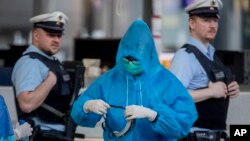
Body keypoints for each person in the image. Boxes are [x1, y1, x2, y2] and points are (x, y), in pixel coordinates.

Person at [71, 19, 197, 141]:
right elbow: (79, 113)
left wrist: (154, 116)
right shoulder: (109, 80)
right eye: (128, 59)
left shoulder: (167, 82)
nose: (131, 63)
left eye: (136, 59)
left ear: (149, 55)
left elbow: (183, 124)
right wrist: (87, 106)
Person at [170, 0, 240, 140]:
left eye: (215, 20)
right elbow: (172, 98)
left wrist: (231, 88)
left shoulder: (212, 55)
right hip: (193, 135)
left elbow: (217, 86)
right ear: (192, 23)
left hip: (216, 134)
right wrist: (211, 92)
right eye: (206, 20)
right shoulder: (185, 57)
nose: (213, 25)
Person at [11, 11, 74, 140]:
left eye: (59, 35)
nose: (56, 40)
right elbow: (26, 104)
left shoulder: (49, 61)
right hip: (41, 134)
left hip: (55, 134)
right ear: (36, 35)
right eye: (51, 35)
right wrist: (51, 81)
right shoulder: (30, 62)